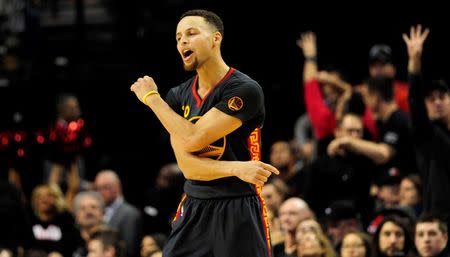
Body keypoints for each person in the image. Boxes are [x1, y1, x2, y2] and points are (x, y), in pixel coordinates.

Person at [130, 9, 279, 257]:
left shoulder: (245, 89)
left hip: (238, 203)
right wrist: (235, 168)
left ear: (215, 38)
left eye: (191, 33)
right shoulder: (177, 96)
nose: (182, 42)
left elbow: (194, 138)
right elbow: (188, 167)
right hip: (195, 203)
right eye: (178, 38)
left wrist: (152, 99)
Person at [403, 24, 450, 225]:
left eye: (442, 97)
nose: (437, 102)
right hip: (441, 222)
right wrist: (414, 61)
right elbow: (414, 101)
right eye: (431, 99)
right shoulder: (428, 135)